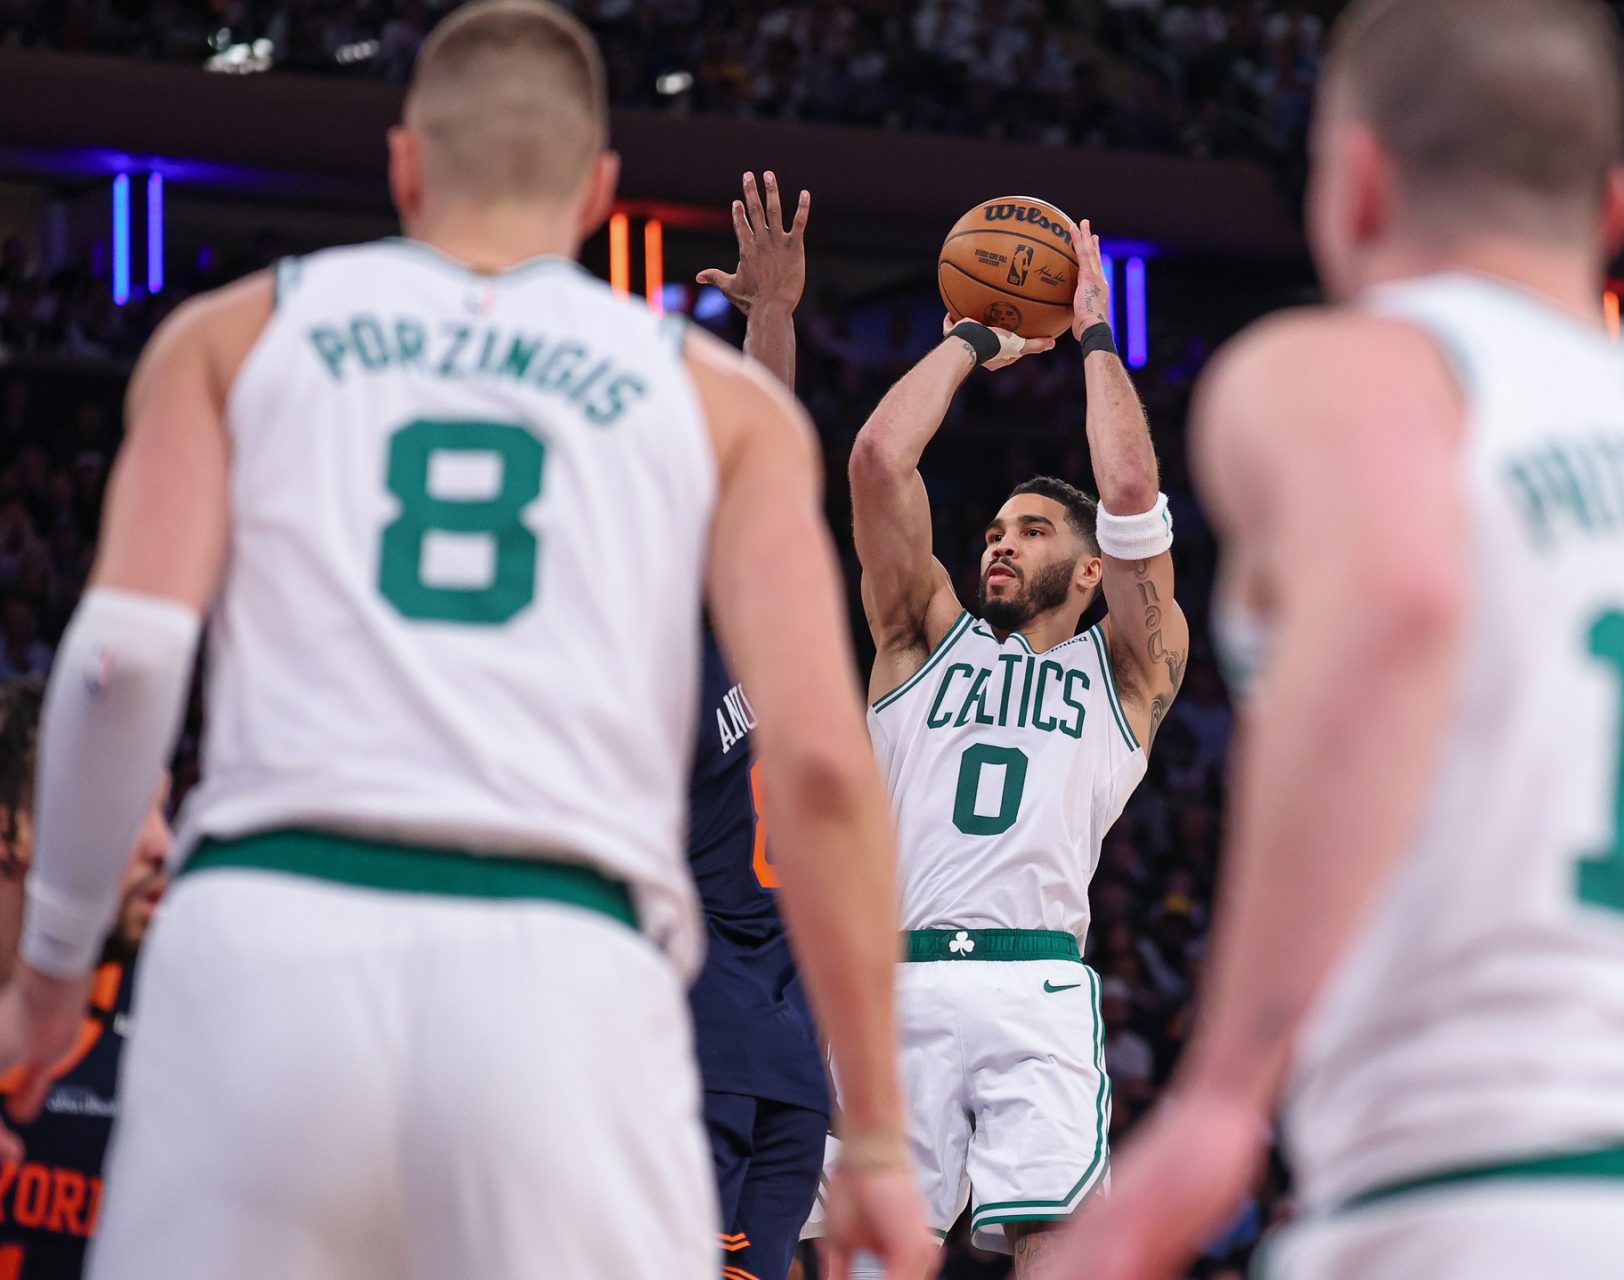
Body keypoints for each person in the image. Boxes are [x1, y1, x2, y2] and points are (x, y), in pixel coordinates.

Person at [0, 5, 931, 1279]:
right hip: (560, 964)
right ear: (601, 189)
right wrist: (875, 1132)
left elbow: (122, 666)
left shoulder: (229, 336)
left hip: (270, 936)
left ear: (404, 165)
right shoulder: (723, 407)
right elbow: (825, 772)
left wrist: (53, 977)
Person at [1049, 1, 1624, 1278]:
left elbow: (1402, 592)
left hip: (1500, 1184)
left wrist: (1225, 1094)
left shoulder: (1350, 372)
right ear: (1617, 207)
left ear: (1353, 184)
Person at [846, 213, 1188, 1276]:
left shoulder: (1126, 671)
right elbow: (877, 459)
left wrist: (1092, 339)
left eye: (1031, 529)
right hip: (894, 976)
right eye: (994, 527)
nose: (1000, 539)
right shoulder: (920, 642)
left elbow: (1129, 495)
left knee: (1059, 1251)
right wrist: (970, 340)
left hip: (1035, 981)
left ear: (1092, 575)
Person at [687, 169, 834, 1280]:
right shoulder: (665, 646)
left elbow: (769, 475)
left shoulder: (769, 624)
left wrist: (774, 320)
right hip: (703, 1017)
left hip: (792, 1036)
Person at [0, 678, 170, 1280]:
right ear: (15, 828)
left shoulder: (175, 1042)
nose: (163, 845)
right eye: (127, 808)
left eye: (162, 810)